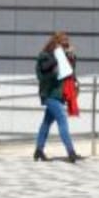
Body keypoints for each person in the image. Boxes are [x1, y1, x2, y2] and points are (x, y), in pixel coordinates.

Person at [34, 31, 84, 163]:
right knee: (62, 120)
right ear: (55, 43)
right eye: (63, 43)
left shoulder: (64, 56)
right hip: (50, 94)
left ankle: (38, 150)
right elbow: (43, 70)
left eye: (67, 43)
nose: (65, 46)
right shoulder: (45, 55)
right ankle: (71, 152)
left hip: (60, 94)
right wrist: (58, 56)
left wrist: (71, 57)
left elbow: (70, 73)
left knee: (46, 123)